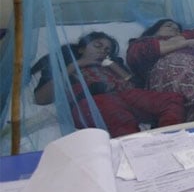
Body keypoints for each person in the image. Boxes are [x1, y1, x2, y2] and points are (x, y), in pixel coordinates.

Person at [32, 31, 185, 138]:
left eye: (107, 50)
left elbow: (133, 87)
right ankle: (137, 151)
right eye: (98, 46)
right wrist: (77, 64)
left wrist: (112, 66)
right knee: (121, 118)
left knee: (173, 100)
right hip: (92, 101)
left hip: (123, 96)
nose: (103, 51)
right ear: (81, 49)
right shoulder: (64, 65)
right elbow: (41, 99)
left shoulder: (112, 65)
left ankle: (167, 139)